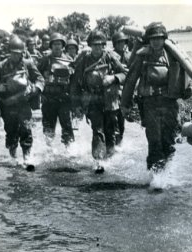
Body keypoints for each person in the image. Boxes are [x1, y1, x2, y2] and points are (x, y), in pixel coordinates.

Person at [121, 22, 191, 172]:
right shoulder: (142, 56)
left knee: (168, 140)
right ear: (148, 40)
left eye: (159, 38)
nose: (156, 41)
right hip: (150, 104)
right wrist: (125, 104)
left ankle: (166, 173)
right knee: (154, 141)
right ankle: (155, 177)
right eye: (153, 38)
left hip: (169, 104)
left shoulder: (173, 55)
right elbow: (131, 80)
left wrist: (190, 89)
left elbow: (187, 73)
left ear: (164, 38)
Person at [70, 30, 127, 173]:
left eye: (100, 44)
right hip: (93, 100)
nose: (97, 48)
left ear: (104, 45)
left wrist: (113, 78)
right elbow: (75, 84)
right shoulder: (84, 60)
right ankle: (99, 161)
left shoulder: (111, 57)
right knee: (98, 130)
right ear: (90, 45)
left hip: (110, 100)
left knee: (110, 130)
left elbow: (125, 73)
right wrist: (76, 105)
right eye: (94, 45)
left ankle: (110, 157)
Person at [0, 36, 45, 167]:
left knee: (26, 129)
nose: (16, 56)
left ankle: (27, 157)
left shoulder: (28, 64)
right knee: (11, 132)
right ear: (9, 52)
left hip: (24, 103)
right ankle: (13, 156)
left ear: (22, 53)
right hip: (7, 105)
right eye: (13, 53)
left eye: (18, 54)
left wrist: (34, 89)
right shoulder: (0, 67)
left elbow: (40, 79)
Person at [38, 33, 75, 147]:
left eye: (59, 44)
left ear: (63, 45)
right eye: (55, 44)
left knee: (67, 126)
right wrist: (40, 94)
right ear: (51, 46)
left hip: (64, 98)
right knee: (48, 127)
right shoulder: (45, 60)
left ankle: (68, 149)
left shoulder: (69, 60)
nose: (57, 46)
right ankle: (49, 149)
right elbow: (36, 76)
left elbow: (74, 80)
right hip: (48, 98)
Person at [112, 32, 131, 145]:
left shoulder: (129, 56)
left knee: (121, 120)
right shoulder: (111, 55)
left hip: (125, 91)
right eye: (119, 42)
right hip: (114, 90)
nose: (121, 44)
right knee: (113, 118)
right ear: (114, 43)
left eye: (123, 42)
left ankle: (119, 142)